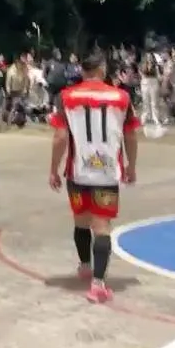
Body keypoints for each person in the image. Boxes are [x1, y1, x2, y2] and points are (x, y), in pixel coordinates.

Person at [48, 53, 139, 304]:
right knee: (102, 226)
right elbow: (130, 135)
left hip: (78, 171)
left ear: (82, 70)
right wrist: (131, 166)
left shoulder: (66, 96)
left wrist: (53, 169)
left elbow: (60, 137)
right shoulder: (121, 97)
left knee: (80, 221)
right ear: (102, 69)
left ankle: (85, 266)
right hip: (106, 172)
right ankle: (97, 284)